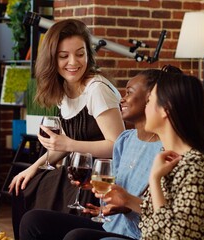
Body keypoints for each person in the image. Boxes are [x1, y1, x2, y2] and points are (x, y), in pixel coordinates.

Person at [65, 69, 204, 239]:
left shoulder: (195, 167)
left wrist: (154, 180)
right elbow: (158, 224)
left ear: (166, 109)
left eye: (150, 101)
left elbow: (171, 236)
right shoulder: (171, 160)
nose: (146, 107)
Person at [19, 67, 174, 240]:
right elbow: (115, 189)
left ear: (152, 100)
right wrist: (101, 193)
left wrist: (127, 203)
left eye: (129, 93)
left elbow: (167, 214)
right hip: (110, 225)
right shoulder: (125, 140)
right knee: (33, 220)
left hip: (137, 233)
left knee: (76, 237)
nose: (122, 99)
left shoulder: (168, 150)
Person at [8, 19, 125, 239]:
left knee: (35, 201)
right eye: (64, 56)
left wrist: (68, 144)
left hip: (100, 180)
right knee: (22, 186)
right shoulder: (64, 89)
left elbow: (117, 145)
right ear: (52, 59)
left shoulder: (96, 89)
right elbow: (64, 144)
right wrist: (34, 167)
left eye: (80, 54)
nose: (73, 62)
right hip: (77, 172)